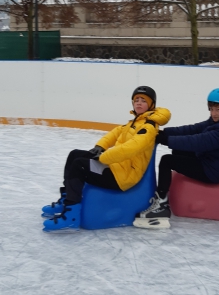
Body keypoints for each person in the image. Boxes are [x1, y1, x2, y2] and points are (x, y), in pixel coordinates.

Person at [41, 86, 171, 233]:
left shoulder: (148, 126)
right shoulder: (134, 123)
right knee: (75, 154)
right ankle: (66, 199)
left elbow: (132, 147)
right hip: (117, 167)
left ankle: (71, 216)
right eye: (136, 100)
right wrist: (100, 147)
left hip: (124, 176)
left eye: (143, 101)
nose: (139, 103)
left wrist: (104, 157)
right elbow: (115, 133)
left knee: (79, 165)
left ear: (151, 105)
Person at [133, 88, 219, 229]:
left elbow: (198, 141)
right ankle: (165, 192)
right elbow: (193, 129)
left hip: (212, 171)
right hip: (210, 160)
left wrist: (166, 140)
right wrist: (162, 132)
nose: (213, 113)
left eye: (217, 110)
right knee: (178, 150)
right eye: (211, 109)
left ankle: (161, 204)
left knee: (167, 161)